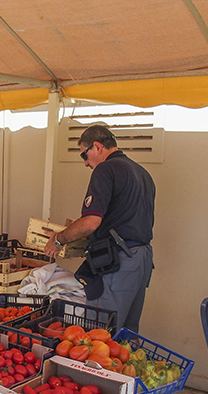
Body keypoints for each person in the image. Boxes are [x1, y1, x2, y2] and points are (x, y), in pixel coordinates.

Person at [43, 125, 155, 333]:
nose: (86, 163)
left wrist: (58, 239)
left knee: (100, 333)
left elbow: (91, 222)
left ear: (97, 146)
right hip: (141, 259)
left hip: (118, 262)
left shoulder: (106, 169)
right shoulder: (142, 173)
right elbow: (122, 219)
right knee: (127, 332)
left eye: (85, 155)